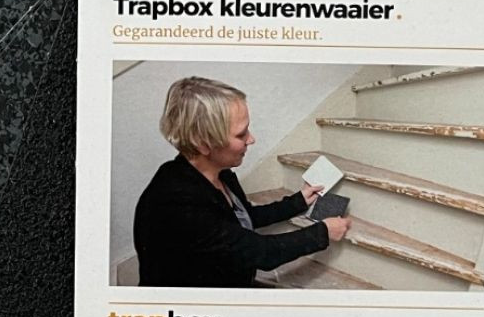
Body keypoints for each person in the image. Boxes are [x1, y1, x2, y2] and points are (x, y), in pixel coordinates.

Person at [133, 76, 351, 288]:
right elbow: (262, 253)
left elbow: (244, 218)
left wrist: (298, 202)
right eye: (241, 134)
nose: (251, 139)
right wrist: (323, 232)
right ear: (203, 144)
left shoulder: (221, 173)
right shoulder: (175, 202)